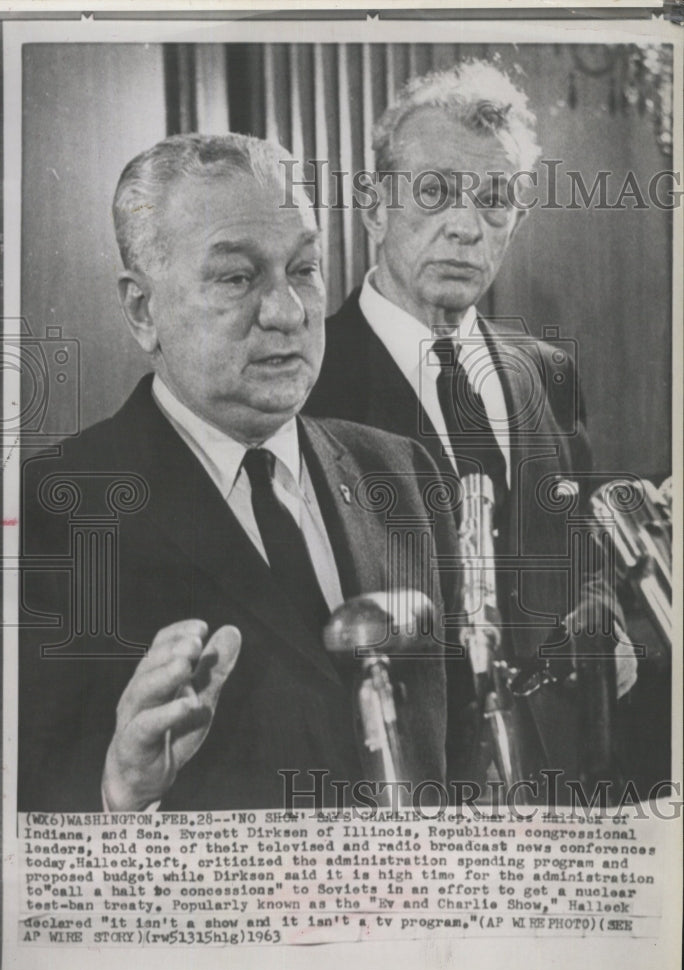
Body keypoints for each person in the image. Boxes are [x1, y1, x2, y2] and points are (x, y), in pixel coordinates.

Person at [18, 133, 466, 813]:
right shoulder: (48, 513)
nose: (287, 313)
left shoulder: (404, 472)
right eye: (237, 277)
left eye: (305, 269)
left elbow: (456, 752)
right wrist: (119, 791)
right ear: (143, 310)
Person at [306, 61, 637, 785]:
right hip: (403, 791)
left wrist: (599, 613)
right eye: (433, 192)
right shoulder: (307, 388)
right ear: (371, 204)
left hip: (561, 782)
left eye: (494, 201)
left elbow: (575, 540)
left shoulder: (547, 372)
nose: (464, 225)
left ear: (517, 219)